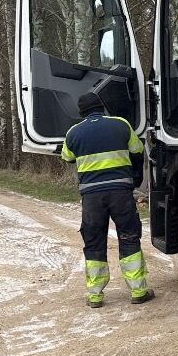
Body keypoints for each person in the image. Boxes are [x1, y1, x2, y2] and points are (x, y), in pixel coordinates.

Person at [62, 93, 154, 308]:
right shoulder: (121, 124)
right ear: (102, 107)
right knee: (129, 237)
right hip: (121, 192)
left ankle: (95, 295)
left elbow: (67, 157)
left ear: (81, 112)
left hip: (92, 197)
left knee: (93, 242)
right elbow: (137, 150)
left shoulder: (73, 132)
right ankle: (138, 291)